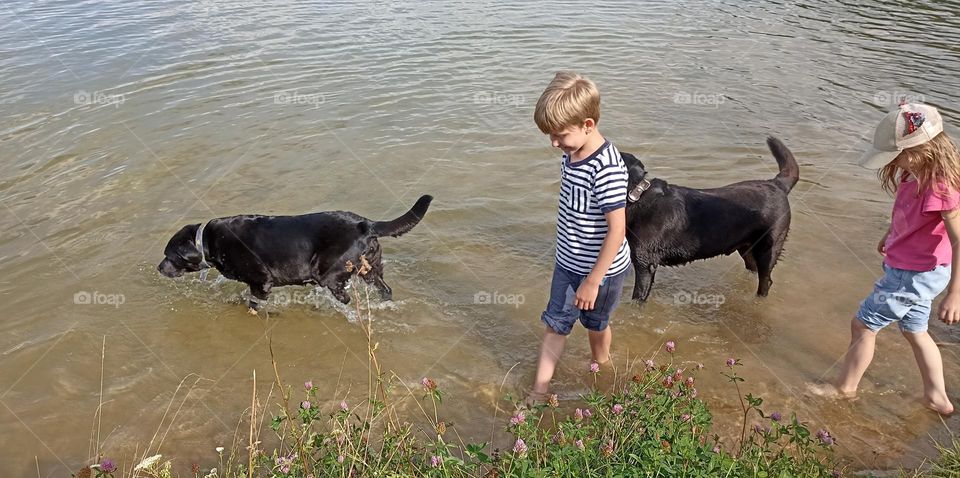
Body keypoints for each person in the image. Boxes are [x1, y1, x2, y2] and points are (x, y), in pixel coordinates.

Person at [819, 102, 960, 415]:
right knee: (915, 331)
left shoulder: (939, 187)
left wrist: (955, 293)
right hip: (917, 270)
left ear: (920, 150)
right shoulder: (915, 174)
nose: (894, 164)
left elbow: (958, 239)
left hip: (913, 274)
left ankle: (845, 389)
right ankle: (938, 398)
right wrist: (891, 233)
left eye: (896, 156)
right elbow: (912, 216)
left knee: (863, 325)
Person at [528, 72, 631, 402]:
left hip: (602, 272)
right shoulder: (571, 155)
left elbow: (617, 229)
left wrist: (593, 280)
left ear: (588, 124)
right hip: (567, 264)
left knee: (595, 323)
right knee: (556, 323)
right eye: (550, 136)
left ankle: (601, 367)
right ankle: (539, 390)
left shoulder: (607, 169)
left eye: (559, 135)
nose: (554, 143)